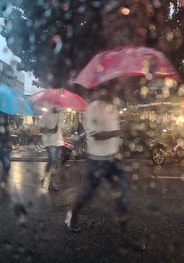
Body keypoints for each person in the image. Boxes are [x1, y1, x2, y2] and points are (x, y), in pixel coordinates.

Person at [65, 89, 145, 251]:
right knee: (86, 195)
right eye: (110, 86)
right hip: (96, 161)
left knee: (122, 197)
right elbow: (97, 136)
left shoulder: (113, 107)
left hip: (114, 160)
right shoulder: (92, 109)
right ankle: (72, 215)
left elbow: (114, 134)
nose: (114, 90)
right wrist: (120, 131)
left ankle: (125, 238)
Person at [38, 106, 64, 191]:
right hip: (49, 142)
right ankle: (50, 182)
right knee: (53, 160)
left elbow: (61, 127)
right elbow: (41, 129)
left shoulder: (61, 114)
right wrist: (50, 130)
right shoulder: (45, 115)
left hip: (59, 141)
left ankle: (47, 179)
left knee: (54, 162)